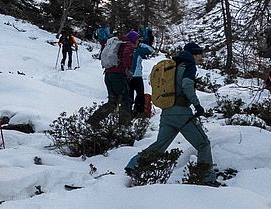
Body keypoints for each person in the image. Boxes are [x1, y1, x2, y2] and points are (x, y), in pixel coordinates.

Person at [125, 43, 217, 184]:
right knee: (203, 144)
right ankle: (207, 179)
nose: (201, 57)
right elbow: (187, 85)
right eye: (199, 54)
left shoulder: (173, 66)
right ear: (194, 54)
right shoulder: (189, 66)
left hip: (167, 113)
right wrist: (197, 105)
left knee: (160, 145)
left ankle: (134, 164)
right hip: (182, 113)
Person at [89, 31, 136, 124]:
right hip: (118, 75)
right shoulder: (129, 44)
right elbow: (126, 55)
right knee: (125, 100)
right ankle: (124, 125)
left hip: (108, 73)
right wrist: (127, 69)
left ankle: (93, 120)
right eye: (138, 40)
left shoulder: (119, 42)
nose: (138, 42)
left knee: (112, 101)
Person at [127, 32, 155, 117]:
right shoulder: (138, 50)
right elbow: (150, 50)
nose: (138, 41)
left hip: (127, 75)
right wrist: (141, 44)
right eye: (137, 40)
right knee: (140, 94)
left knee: (129, 95)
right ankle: (138, 112)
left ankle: (127, 112)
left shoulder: (126, 48)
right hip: (137, 76)